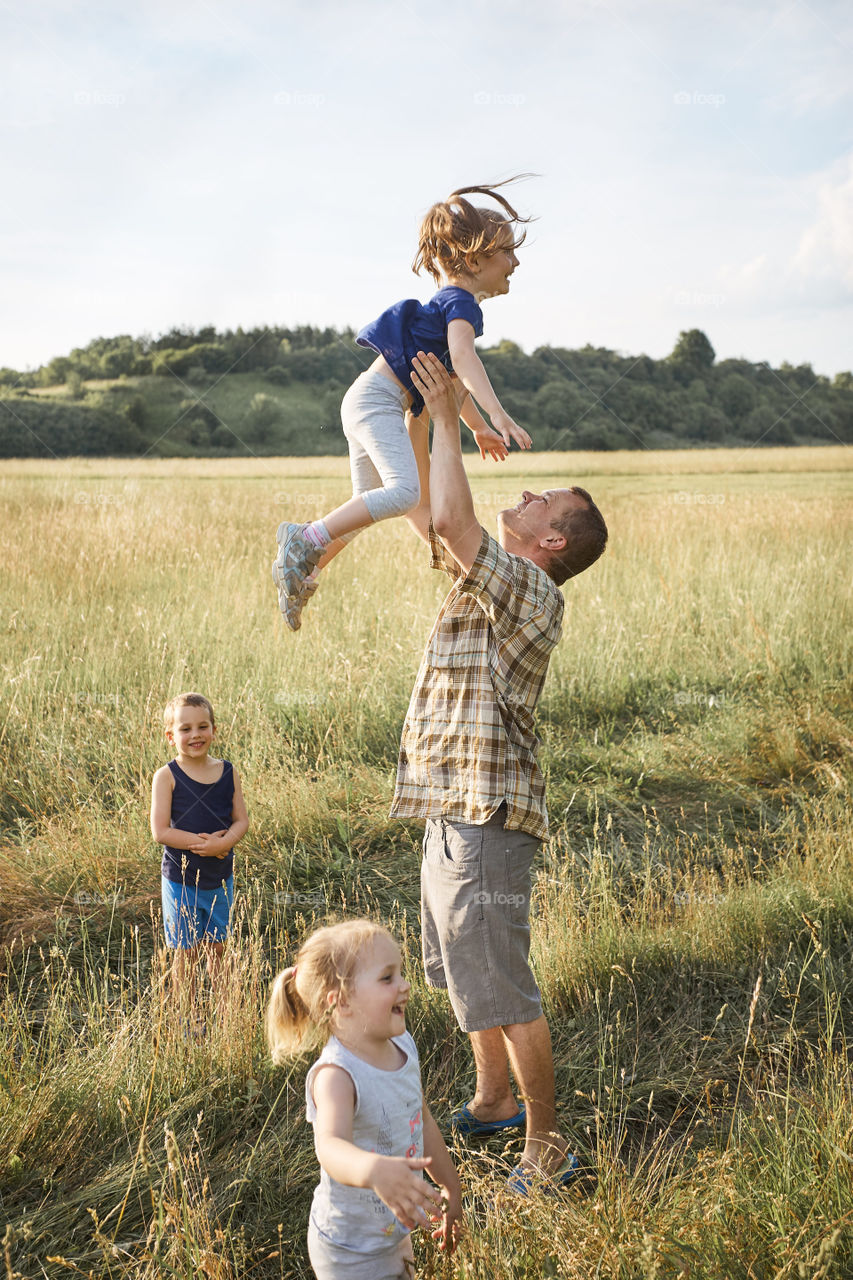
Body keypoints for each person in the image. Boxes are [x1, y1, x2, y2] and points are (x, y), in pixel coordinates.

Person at [391, 352, 608, 1194]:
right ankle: (491, 1105)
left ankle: (548, 1152)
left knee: (504, 987)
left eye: (540, 501)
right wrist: (418, 409)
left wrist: (453, 419)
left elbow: (451, 522)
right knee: (456, 969)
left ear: (550, 540)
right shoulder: (494, 576)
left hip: (486, 818)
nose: (522, 494)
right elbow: (426, 504)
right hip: (452, 806)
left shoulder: (529, 588)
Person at [272, 178, 534, 631]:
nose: (515, 261)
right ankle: (304, 537)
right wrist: (499, 414)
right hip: (377, 403)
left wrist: (474, 427)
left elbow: (453, 383)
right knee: (404, 493)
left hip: (369, 401)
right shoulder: (463, 305)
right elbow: (465, 358)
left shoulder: (449, 303)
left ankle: (305, 572)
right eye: (507, 252)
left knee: (365, 505)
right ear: (474, 258)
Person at [266, 919, 462, 1279]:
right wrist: (373, 1171)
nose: (404, 985)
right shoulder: (337, 1076)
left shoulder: (402, 1045)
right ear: (341, 1002)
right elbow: (330, 1146)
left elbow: (422, 1119)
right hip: (348, 1249)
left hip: (390, 1232)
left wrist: (451, 1186)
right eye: (387, 978)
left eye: (400, 974)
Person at [150, 692, 248, 1022]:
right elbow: (160, 831)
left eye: (203, 726)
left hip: (219, 876)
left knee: (218, 947)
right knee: (186, 951)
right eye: (185, 729)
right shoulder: (166, 777)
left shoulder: (227, 772)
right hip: (181, 880)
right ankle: (188, 1016)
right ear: (171, 736)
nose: (195, 735)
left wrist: (226, 843)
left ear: (214, 730)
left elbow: (241, 820)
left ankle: (226, 1013)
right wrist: (200, 844)